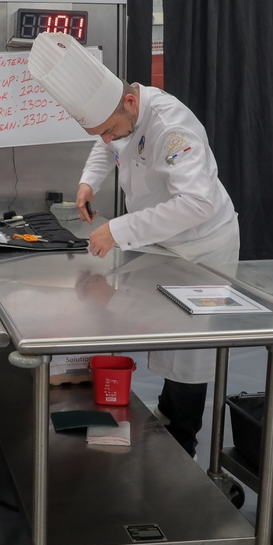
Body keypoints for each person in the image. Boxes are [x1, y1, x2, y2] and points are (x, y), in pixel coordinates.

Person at [28, 32, 240, 458]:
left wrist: (119, 229)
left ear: (129, 103)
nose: (106, 138)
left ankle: (184, 443)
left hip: (203, 245)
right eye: (98, 132)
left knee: (190, 352)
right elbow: (108, 143)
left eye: (108, 130)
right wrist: (89, 181)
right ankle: (162, 413)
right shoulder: (121, 116)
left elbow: (196, 203)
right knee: (160, 332)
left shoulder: (171, 127)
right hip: (160, 239)